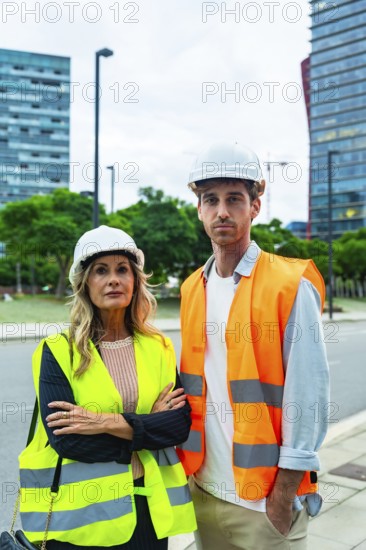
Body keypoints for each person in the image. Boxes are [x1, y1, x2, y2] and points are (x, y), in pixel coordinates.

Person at [176, 142, 330, 550]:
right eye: (211, 199)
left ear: (255, 206)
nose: (221, 211)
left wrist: (282, 497)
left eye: (234, 199)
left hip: (265, 502)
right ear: (199, 209)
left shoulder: (289, 285)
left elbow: (308, 398)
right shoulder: (193, 288)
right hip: (205, 490)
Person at [19, 225, 197, 550]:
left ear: (135, 280)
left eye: (122, 270)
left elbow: (177, 425)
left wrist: (103, 423)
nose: (113, 279)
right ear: (85, 284)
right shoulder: (59, 351)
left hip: (147, 512)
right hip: (81, 521)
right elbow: (67, 441)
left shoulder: (158, 347)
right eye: (101, 271)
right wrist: (146, 429)